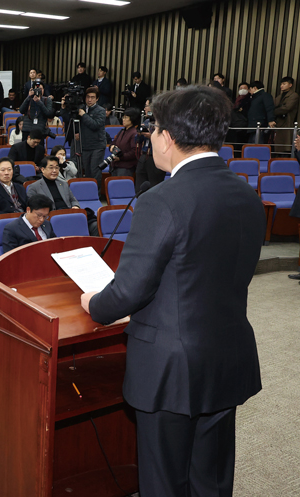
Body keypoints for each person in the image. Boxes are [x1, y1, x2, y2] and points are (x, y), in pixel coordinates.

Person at [79, 85, 265, 497]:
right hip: (227, 356)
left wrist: (94, 303)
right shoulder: (247, 194)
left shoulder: (160, 200)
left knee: (164, 481)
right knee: (211, 479)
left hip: (170, 368)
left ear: (169, 136)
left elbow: (127, 293)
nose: (150, 138)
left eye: (154, 129)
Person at [74, 87, 107, 185]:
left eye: (92, 97)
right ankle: (88, 191)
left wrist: (84, 115)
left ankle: (96, 192)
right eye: (88, 97)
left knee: (95, 171)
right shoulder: (81, 108)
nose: (89, 99)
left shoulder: (101, 110)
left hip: (97, 146)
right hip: (85, 145)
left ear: (97, 99)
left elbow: (95, 125)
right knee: (87, 171)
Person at [108, 107, 141, 177]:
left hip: (125, 167)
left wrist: (121, 157)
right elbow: (113, 143)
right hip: (115, 165)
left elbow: (134, 152)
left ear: (132, 119)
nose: (123, 119)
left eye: (126, 117)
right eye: (123, 117)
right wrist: (112, 147)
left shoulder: (134, 133)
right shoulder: (122, 131)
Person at [273, 77, 299, 153]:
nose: (281, 86)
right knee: (278, 145)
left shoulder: (294, 95)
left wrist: (274, 111)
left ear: (290, 85)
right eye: (281, 84)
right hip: (279, 122)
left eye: (284, 84)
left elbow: (287, 108)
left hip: (287, 121)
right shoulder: (279, 96)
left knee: (285, 144)